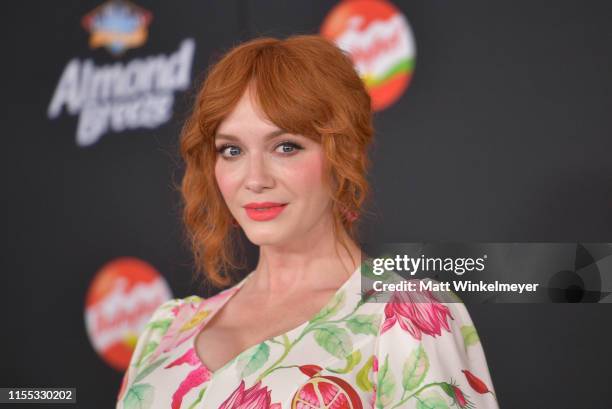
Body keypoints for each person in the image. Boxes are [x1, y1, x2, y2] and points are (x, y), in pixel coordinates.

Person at [116, 34, 499, 409]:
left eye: (286, 147)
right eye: (231, 150)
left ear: (341, 153)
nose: (255, 179)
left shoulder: (406, 317)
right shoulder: (167, 329)